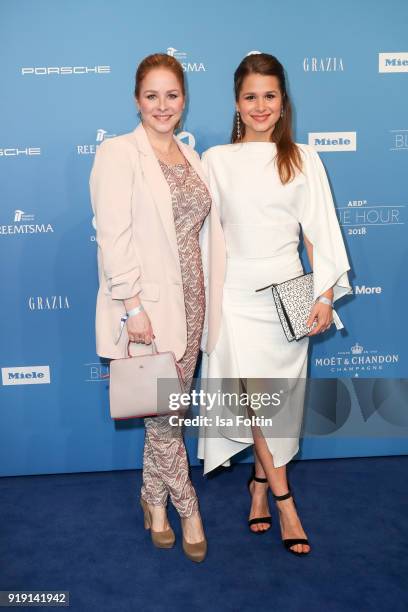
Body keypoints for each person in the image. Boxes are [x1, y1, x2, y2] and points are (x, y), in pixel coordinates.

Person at [198, 53, 351, 555]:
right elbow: (201, 237)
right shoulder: (216, 160)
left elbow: (319, 233)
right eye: (250, 97)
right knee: (256, 402)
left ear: (283, 103)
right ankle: (284, 500)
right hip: (233, 296)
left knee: (277, 404)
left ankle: (259, 486)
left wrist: (325, 293)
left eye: (270, 95)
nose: (260, 106)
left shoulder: (304, 157)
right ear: (236, 104)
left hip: (287, 295)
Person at [90, 53, 225, 563]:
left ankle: (153, 502)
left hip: (194, 305)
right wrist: (132, 306)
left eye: (172, 95)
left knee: (164, 415)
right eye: (152, 96)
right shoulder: (119, 153)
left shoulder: (194, 159)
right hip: (147, 311)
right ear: (136, 100)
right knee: (166, 418)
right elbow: (113, 236)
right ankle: (187, 508)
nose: (162, 106)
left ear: (184, 100)